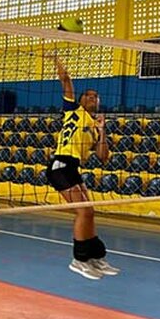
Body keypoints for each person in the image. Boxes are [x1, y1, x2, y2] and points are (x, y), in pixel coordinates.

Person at [45, 52, 119, 280]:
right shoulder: (72, 111)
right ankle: (79, 260)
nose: (93, 98)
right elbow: (66, 80)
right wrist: (56, 60)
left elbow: (104, 156)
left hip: (73, 168)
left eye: (96, 97)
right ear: (81, 100)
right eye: (89, 96)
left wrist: (103, 129)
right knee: (84, 211)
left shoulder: (96, 127)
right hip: (59, 165)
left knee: (90, 212)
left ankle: (95, 258)